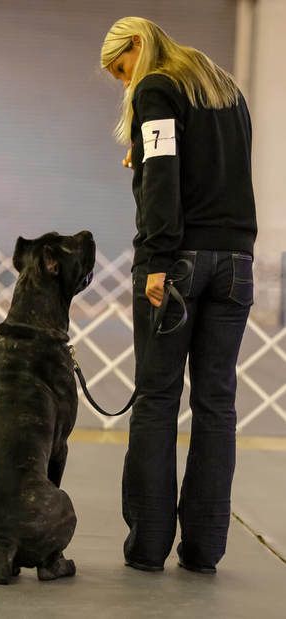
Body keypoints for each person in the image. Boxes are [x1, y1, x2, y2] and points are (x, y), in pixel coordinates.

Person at [100, 17, 257, 574]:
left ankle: (147, 545)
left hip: (180, 265)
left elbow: (164, 177)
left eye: (122, 71)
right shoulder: (223, 87)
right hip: (237, 263)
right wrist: (144, 155)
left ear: (137, 46)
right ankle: (204, 549)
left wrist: (159, 262)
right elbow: (218, 168)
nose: (125, 85)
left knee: (158, 400)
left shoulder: (157, 86)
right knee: (217, 405)